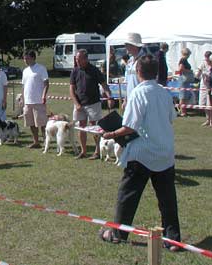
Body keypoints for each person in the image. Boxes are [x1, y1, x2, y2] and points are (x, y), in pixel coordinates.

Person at [99, 55, 181, 252]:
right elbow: (172, 117)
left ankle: (118, 233)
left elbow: (129, 127)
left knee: (127, 196)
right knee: (168, 199)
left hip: (143, 154)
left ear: (138, 72)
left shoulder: (138, 93)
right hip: (165, 152)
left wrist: (110, 133)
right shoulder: (164, 93)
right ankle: (173, 239)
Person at [70, 49, 115, 159]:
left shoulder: (94, 70)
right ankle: (84, 151)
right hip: (79, 105)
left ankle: (97, 151)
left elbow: (104, 85)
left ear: (86, 59)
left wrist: (109, 96)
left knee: (95, 127)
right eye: (76, 59)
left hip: (93, 103)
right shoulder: (75, 71)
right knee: (81, 127)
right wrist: (76, 104)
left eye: (79, 59)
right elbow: (71, 89)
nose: (77, 61)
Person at [22, 50, 49, 148]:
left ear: (33, 58)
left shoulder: (41, 68)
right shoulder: (25, 71)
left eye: (27, 58)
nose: (25, 60)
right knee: (31, 123)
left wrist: (43, 96)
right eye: (24, 58)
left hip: (38, 101)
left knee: (42, 123)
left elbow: (46, 83)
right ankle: (36, 142)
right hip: (28, 101)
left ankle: (46, 142)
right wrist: (23, 100)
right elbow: (24, 86)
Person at [123, 33, 146, 109]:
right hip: (131, 99)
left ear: (134, 46)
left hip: (141, 99)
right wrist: (125, 99)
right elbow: (128, 82)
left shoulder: (144, 60)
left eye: (127, 45)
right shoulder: (130, 61)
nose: (125, 47)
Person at [195, 51, 212, 126]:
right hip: (203, 86)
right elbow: (197, 75)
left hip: (210, 86)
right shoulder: (202, 64)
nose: (206, 60)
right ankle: (207, 119)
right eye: (205, 59)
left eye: (208, 59)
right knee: (203, 103)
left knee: (210, 104)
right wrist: (197, 74)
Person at [178, 48, 195, 117]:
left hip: (186, 80)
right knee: (183, 96)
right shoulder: (183, 60)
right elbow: (180, 69)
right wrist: (189, 71)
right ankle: (182, 111)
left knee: (185, 96)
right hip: (183, 79)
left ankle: (184, 111)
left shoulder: (185, 60)